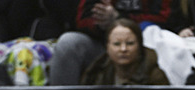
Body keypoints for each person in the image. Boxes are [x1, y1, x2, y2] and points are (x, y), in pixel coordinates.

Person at [48, 0, 186, 85]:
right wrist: (101, 25)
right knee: (68, 43)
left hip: (146, 42)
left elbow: (165, 18)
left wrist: (119, 19)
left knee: (158, 37)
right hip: (104, 42)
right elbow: (82, 19)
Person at [81, 18, 170, 85]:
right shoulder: (96, 73)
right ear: (107, 47)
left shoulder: (155, 76)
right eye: (117, 44)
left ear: (140, 46)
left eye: (130, 43)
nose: (123, 49)